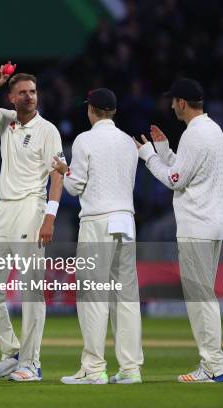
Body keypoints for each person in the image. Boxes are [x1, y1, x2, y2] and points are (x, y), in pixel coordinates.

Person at [0, 67, 64, 381]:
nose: (29, 96)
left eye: (33, 91)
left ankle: (32, 363)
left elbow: (58, 174)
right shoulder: (7, 121)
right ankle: (11, 352)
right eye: (22, 92)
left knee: (30, 289)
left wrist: (49, 216)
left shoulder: (48, 130)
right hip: (4, 209)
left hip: (31, 206)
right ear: (11, 98)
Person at [52, 88, 144, 385]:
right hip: (126, 221)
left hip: (97, 221)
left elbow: (75, 186)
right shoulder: (128, 143)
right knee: (126, 296)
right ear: (113, 111)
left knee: (93, 296)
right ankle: (131, 369)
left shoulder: (84, 139)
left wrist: (64, 171)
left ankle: (94, 369)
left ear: (92, 110)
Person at [135, 78, 223, 383]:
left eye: (174, 101)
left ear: (183, 103)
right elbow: (186, 172)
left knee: (201, 298)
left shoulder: (194, 135)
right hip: (211, 224)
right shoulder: (212, 130)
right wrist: (164, 150)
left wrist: (147, 156)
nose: (171, 105)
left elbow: (174, 180)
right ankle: (214, 364)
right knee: (204, 295)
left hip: (196, 225)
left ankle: (213, 366)